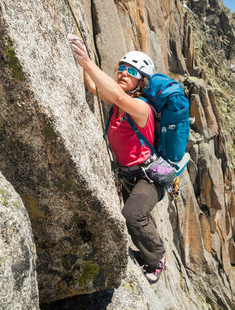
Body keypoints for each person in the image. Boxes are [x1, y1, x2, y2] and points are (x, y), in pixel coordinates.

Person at [68, 34, 166, 283]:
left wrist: (88, 62)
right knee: (135, 216)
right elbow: (93, 87)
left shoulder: (141, 108)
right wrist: (80, 57)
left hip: (148, 177)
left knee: (133, 214)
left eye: (130, 71)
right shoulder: (118, 107)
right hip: (128, 174)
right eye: (121, 68)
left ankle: (156, 259)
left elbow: (120, 96)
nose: (122, 73)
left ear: (142, 83)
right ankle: (145, 254)